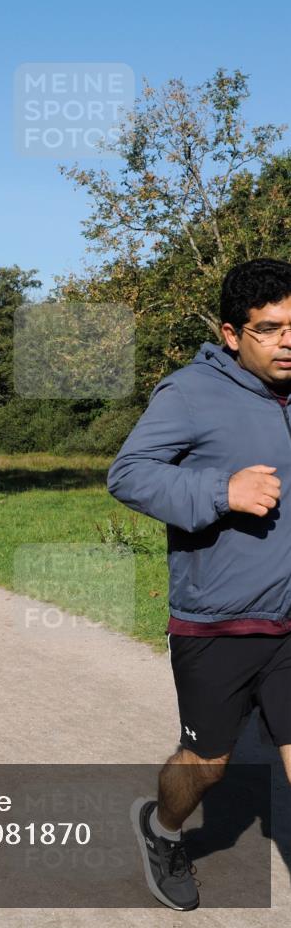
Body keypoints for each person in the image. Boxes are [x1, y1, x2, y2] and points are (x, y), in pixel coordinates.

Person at [108, 258, 291, 911]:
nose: (287, 341)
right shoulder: (189, 392)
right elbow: (128, 475)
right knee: (206, 764)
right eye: (269, 329)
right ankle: (161, 830)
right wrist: (222, 491)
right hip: (218, 622)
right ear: (232, 333)